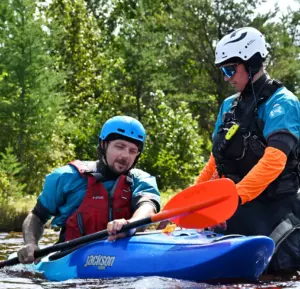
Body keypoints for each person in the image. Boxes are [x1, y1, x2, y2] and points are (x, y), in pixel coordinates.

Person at [195, 27, 300, 273]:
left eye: (230, 69)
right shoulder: (228, 106)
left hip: (274, 212)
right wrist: (190, 202)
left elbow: (273, 162)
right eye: (223, 71)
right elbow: (215, 163)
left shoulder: (282, 103)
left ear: (252, 63)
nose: (226, 77)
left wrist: (233, 198)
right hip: (236, 209)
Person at [17, 116, 160, 264]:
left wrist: (131, 224)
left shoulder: (142, 180)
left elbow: (148, 205)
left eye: (133, 151)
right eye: (119, 146)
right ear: (104, 144)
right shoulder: (66, 177)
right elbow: (37, 216)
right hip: (70, 261)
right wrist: (31, 244)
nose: (125, 155)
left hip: (124, 258)